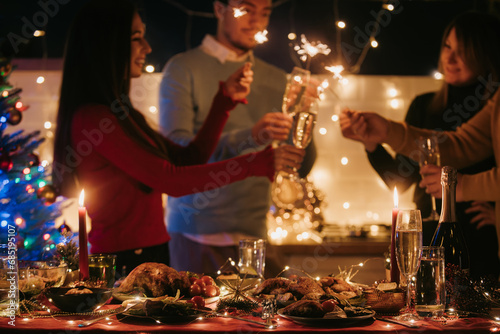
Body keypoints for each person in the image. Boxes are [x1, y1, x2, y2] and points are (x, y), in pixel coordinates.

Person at [52, 0, 305, 275]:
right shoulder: (95, 119)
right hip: (121, 263)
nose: (146, 48)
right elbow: (171, 180)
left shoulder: (125, 115)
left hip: (150, 254)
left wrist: (223, 103)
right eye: (136, 38)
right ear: (105, 44)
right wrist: (257, 163)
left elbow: (188, 159)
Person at [159, 0, 317, 274]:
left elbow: (298, 164)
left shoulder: (278, 79)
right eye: (246, 9)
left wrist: (308, 117)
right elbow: (179, 152)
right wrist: (252, 137)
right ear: (219, 9)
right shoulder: (183, 69)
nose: (256, 21)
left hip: (255, 237)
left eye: (264, 12)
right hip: (196, 233)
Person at [340, 11, 500, 280]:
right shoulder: (427, 106)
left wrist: (485, 204)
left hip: (480, 239)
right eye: (448, 46)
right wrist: (381, 135)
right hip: (432, 233)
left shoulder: (491, 100)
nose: (449, 58)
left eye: (463, 51)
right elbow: (459, 145)